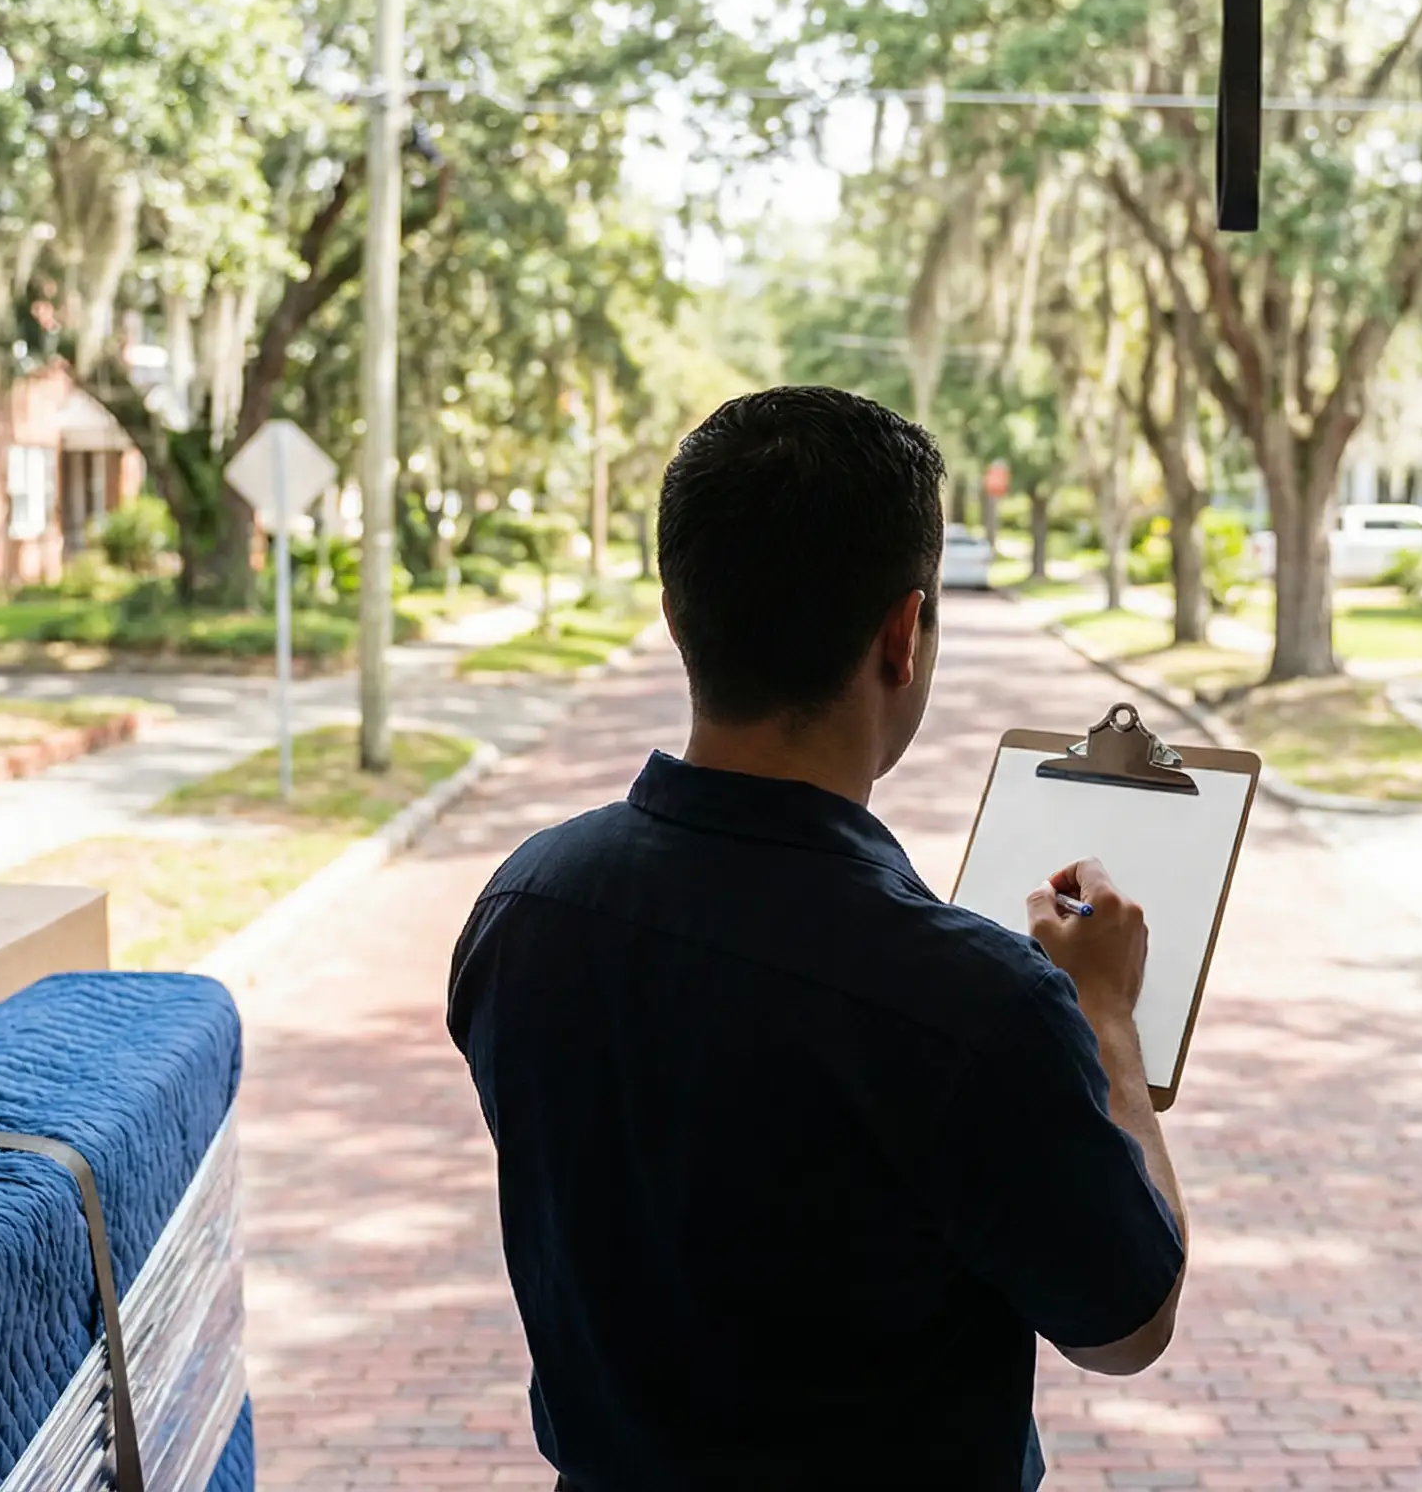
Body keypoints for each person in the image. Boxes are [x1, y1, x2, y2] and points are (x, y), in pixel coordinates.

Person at [447, 386, 1187, 1490]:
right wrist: (1107, 1024)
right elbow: (1125, 1326)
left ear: (674, 609)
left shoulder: (523, 907)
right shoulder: (977, 1004)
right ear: (904, 634)